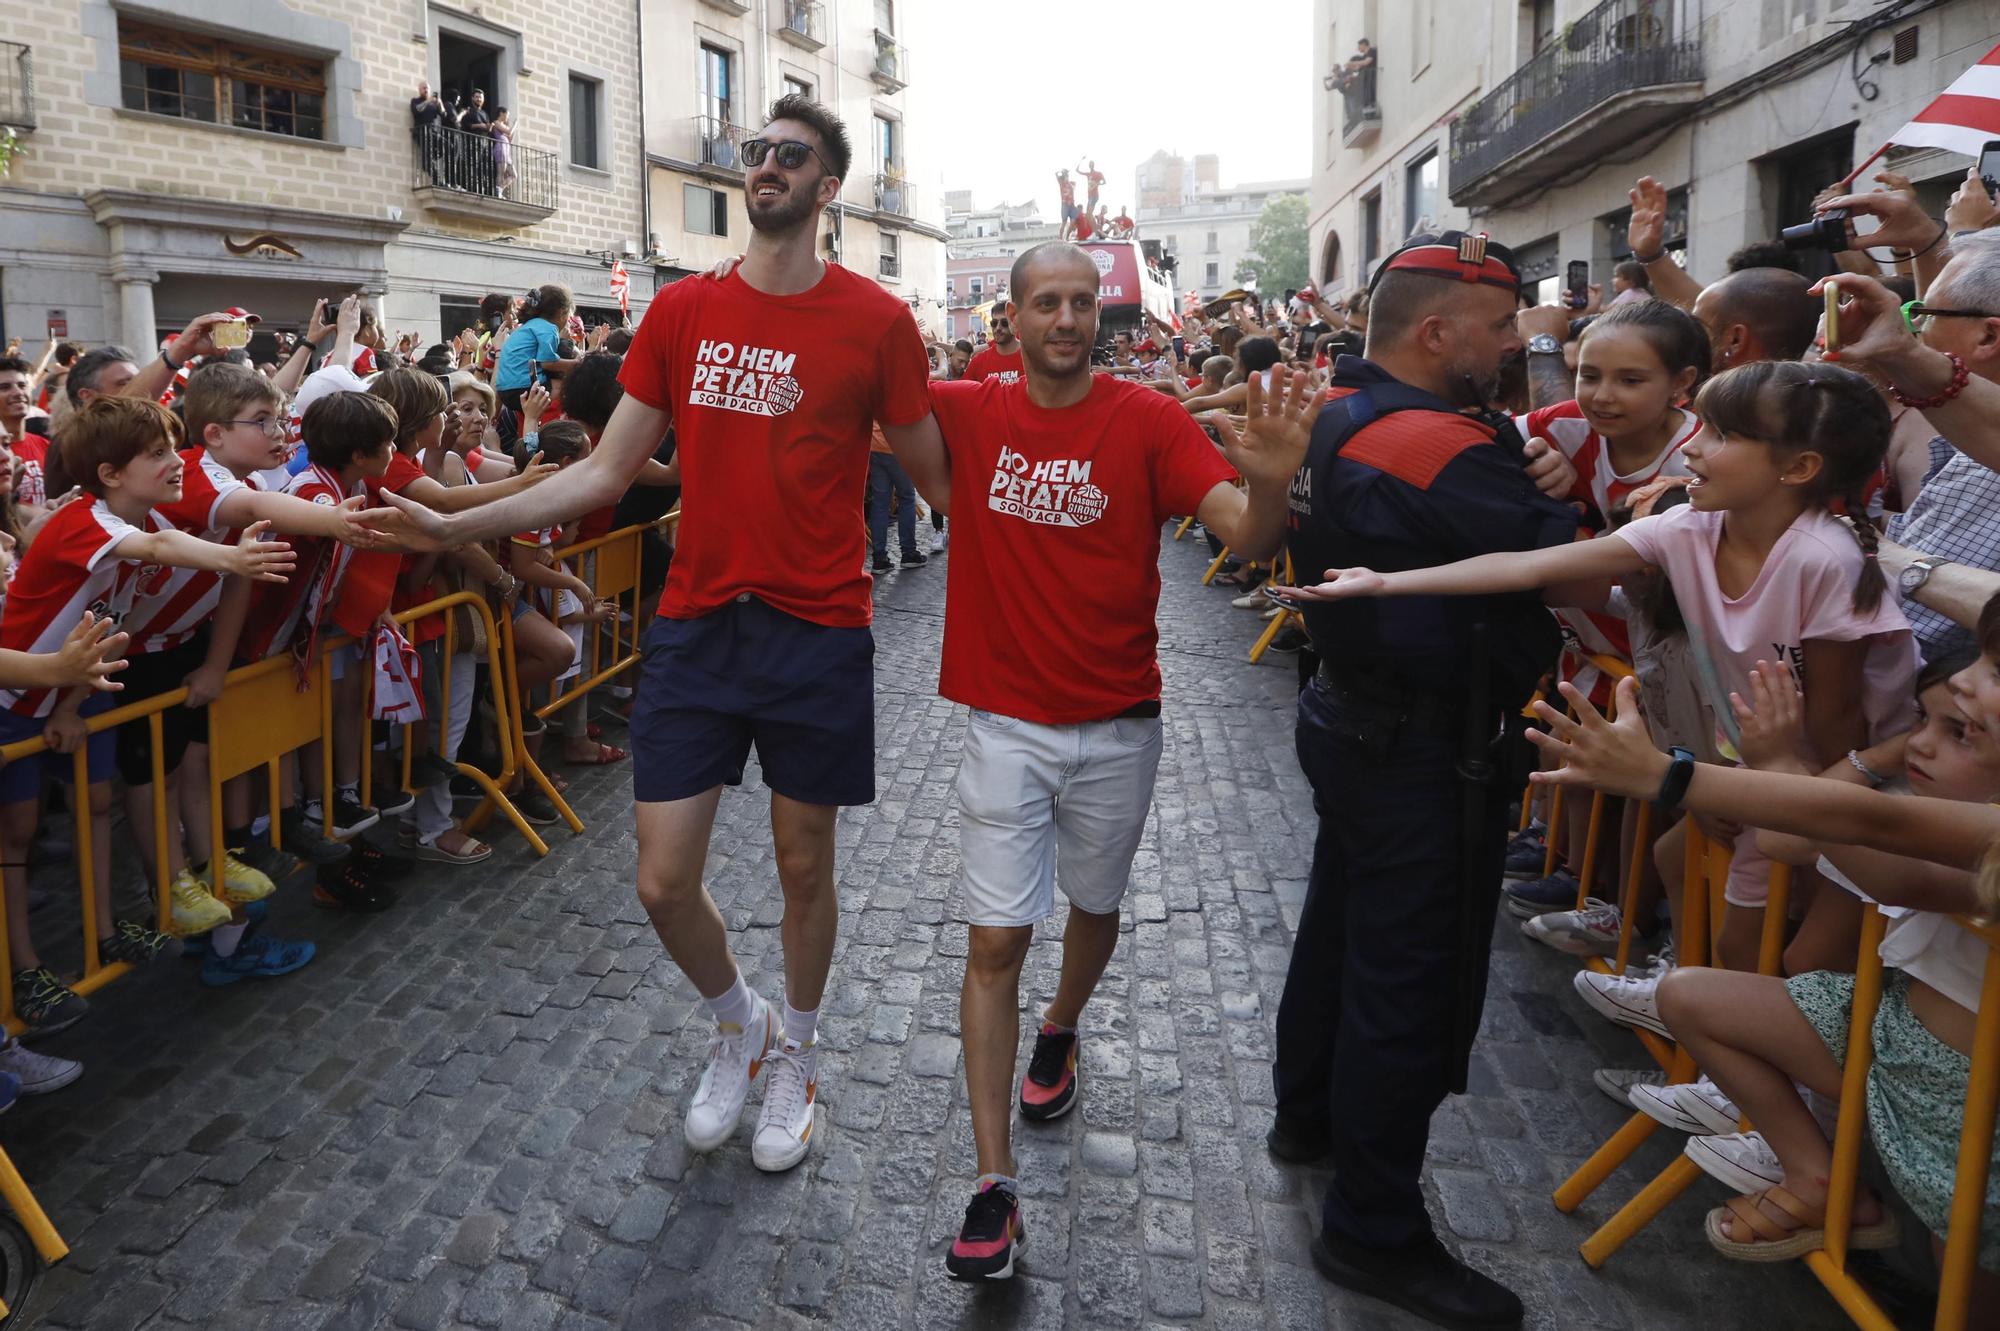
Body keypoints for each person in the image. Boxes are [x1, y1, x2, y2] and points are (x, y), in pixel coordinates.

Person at [363, 93, 945, 1176]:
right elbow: (596, 472)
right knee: (661, 879)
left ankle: (800, 1055)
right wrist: (446, 516)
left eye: (788, 156)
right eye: (755, 152)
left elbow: (938, 477)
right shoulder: (682, 314)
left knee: (801, 865)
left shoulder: (874, 321)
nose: (762, 166)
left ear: (827, 187)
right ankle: (741, 1023)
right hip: (696, 626)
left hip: (818, 629)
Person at [922, 241, 1321, 1281]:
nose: (1064, 318)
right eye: (1044, 302)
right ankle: (991, 1186)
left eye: (1079, 302)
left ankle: (1060, 1026)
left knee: (1091, 906)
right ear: (1007, 320)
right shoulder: (968, 409)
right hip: (1001, 724)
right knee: (995, 939)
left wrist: (1270, 484)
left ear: (1101, 316)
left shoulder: (1146, 421)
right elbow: (851, 393)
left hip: (1116, 723)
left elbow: (1241, 529)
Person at [1288, 356, 1917, 984]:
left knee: (1784, 943)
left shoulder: (1822, 560)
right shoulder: (1688, 527)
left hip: (1844, 780)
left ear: (1798, 468)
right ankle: (1717, 1034)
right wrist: (1387, 582)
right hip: (1767, 771)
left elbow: (1839, 721)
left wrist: (1788, 796)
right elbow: (1534, 567)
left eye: (1723, 436)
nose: (1693, 448)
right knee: (1730, 918)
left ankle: (1757, 1054)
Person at [1264, 233, 1580, 1330]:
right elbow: (1577, 560)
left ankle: (1305, 1117)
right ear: (1434, 332)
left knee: (1340, 932)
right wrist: (1551, 473)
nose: (1515, 348)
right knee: (1406, 979)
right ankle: (1372, 1225)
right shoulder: (1435, 443)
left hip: (1354, 714)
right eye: (1500, 330)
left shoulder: (1345, 409)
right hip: (1418, 744)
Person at [1525, 655, 2000, 1299]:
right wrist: (1832, 764)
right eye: (1924, 719)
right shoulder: (1930, 803)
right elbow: (1791, 842)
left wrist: (1679, 775)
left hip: (1970, 1106)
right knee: (1690, 994)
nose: (1919, 741)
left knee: (1964, 1280)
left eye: (1963, 732)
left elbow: (1873, 842)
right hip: (1886, 1036)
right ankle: (1817, 1177)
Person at [963, 315, 1023, 384]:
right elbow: (961, 391)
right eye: (994, 323)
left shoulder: (1031, 358)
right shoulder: (979, 361)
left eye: (1004, 323)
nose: (998, 328)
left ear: (1014, 323)